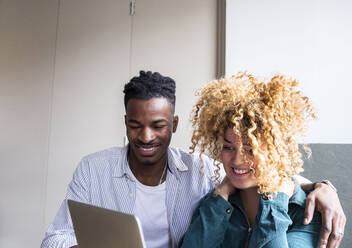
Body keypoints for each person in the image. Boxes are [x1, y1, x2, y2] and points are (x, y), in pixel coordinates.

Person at [41, 71, 345, 248]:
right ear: (125, 123)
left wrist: (323, 187)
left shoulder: (200, 171)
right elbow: (54, 239)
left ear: (173, 124)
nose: (146, 137)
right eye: (136, 126)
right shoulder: (94, 170)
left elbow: (267, 176)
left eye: (158, 126)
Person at [180, 72, 345, 248]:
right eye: (228, 147)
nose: (237, 160)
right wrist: (220, 195)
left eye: (250, 150)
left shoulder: (309, 212)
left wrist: (274, 199)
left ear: (276, 150)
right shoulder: (217, 202)